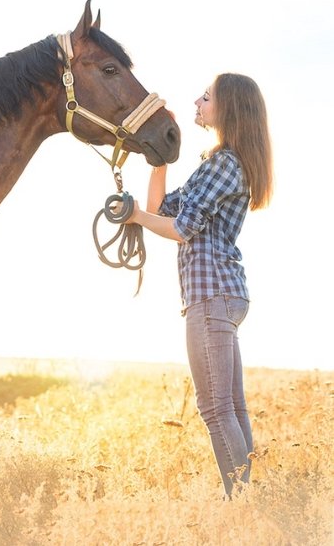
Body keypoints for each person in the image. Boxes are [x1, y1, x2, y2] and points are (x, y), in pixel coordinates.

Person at [124, 73, 273, 498]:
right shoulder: (221, 164)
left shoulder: (225, 164)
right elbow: (160, 210)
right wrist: (159, 162)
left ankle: (241, 505)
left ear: (226, 109)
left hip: (210, 295)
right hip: (222, 293)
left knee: (214, 409)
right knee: (232, 406)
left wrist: (134, 217)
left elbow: (182, 227)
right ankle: (251, 501)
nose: (197, 101)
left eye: (206, 97)